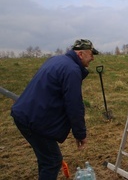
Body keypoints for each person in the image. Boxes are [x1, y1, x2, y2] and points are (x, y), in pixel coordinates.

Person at [10, 39, 99, 179]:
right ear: (80, 54)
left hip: (26, 114)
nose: (93, 58)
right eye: (91, 54)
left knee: (47, 160)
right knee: (52, 161)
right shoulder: (72, 70)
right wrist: (80, 134)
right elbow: (74, 105)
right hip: (34, 120)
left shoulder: (56, 60)